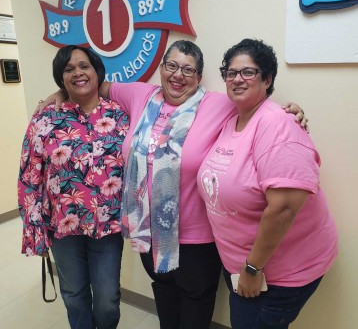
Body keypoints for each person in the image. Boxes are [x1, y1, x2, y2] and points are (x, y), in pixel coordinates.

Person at [37, 40, 307, 329]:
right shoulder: (140, 94)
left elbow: (255, 103)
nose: (179, 75)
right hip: (149, 233)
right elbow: (91, 85)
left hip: (196, 241)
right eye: (172, 66)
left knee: (194, 308)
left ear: (199, 77)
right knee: (165, 299)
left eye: (189, 70)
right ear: (162, 69)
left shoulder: (216, 103)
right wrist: (60, 92)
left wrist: (291, 113)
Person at [197, 38, 338, 329]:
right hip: (240, 264)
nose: (238, 79)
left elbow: (285, 207)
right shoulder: (233, 120)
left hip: (272, 274)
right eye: (231, 73)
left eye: (248, 72)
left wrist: (252, 268)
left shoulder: (278, 125)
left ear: (268, 79)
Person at [18, 45, 129, 329]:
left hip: (107, 227)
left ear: (96, 71)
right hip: (61, 228)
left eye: (84, 66)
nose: (78, 73)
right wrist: (35, 231)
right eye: (69, 69)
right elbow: (29, 175)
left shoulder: (120, 114)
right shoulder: (46, 118)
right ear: (61, 77)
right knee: (74, 296)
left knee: (107, 300)